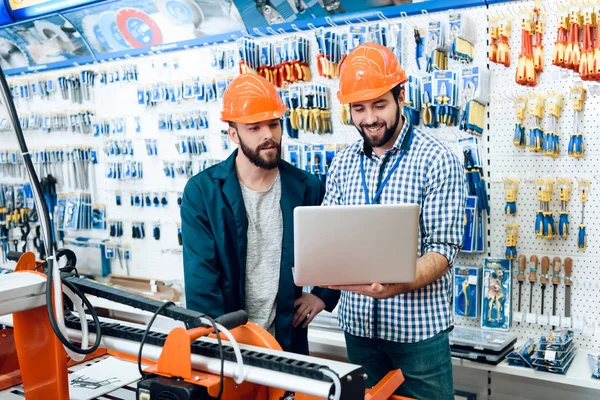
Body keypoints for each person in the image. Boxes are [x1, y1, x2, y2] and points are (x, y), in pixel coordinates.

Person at [324, 43, 466, 399]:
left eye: (379, 104)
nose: (370, 118)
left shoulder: (437, 159)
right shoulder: (342, 164)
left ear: (401, 96)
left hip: (418, 335)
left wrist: (397, 284)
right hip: (358, 329)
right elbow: (328, 241)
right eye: (359, 108)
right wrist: (319, 288)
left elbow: (444, 249)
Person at [181, 73, 339, 354]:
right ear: (233, 134)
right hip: (227, 343)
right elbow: (201, 282)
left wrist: (322, 295)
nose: (268, 135)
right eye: (254, 127)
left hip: (288, 341)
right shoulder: (203, 192)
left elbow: (331, 250)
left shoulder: (306, 187)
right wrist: (219, 348)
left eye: (274, 124)